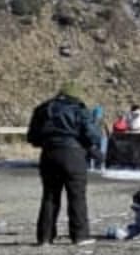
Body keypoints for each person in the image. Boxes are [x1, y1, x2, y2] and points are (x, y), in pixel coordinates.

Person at [25, 83, 98, 245]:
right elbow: (92, 134)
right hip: (73, 154)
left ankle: (45, 237)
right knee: (76, 196)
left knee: (50, 196)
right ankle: (79, 236)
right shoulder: (79, 109)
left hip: (49, 154)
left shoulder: (43, 109)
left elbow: (32, 137)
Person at [88, 104, 108, 172]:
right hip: (101, 137)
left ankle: (94, 166)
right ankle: (101, 166)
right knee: (101, 152)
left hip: (99, 137)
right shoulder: (102, 120)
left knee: (95, 151)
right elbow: (106, 130)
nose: (98, 116)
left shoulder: (92, 120)